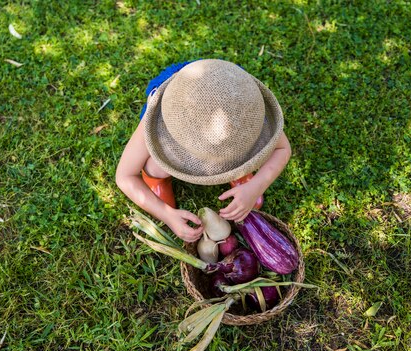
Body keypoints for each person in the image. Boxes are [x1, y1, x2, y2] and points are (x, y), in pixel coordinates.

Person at [116, 59, 291, 242]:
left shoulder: (246, 109)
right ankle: (156, 178)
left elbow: (283, 149)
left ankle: (238, 170)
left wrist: (255, 187)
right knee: (157, 165)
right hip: (183, 100)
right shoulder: (164, 119)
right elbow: (125, 177)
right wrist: (167, 215)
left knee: (241, 149)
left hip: (229, 87)